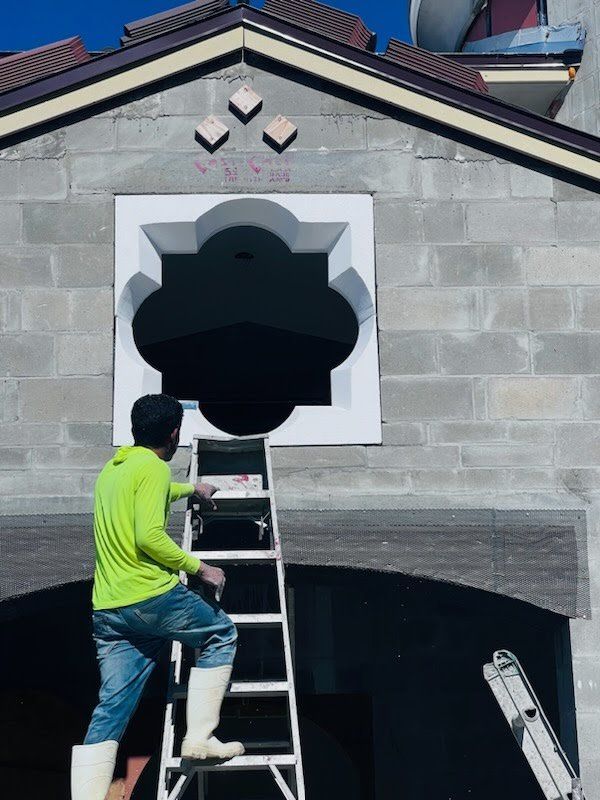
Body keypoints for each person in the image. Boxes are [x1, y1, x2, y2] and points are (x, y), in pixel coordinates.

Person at [71, 394, 244, 800]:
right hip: (149, 596)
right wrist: (200, 568)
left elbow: (148, 494)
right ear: (174, 432)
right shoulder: (151, 467)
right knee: (220, 634)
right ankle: (200, 738)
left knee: (112, 706)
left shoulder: (115, 469)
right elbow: (147, 536)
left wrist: (191, 489)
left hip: (109, 610)